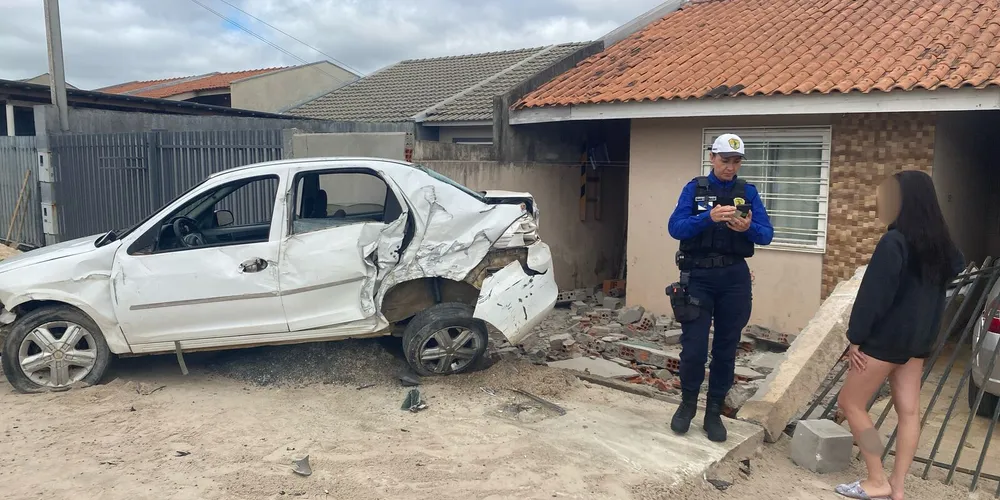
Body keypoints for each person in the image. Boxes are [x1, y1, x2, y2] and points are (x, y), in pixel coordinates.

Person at [834, 171, 964, 500]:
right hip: (919, 342)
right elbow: (957, 268)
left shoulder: (894, 242)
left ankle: (876, 478)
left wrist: (856, 337)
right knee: (908, 413)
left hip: (885, 342)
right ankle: (898, 486)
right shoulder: (940, 246)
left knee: (851, 403)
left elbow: (874, 296)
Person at [666, 133, 773, 442]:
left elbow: (766, 234)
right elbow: (675, 227)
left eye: (736, 161)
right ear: (712, 158)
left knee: (726, 349)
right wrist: (708, 218)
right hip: (699, 276)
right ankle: (687, 405)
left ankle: (713, 412)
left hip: (734, 279)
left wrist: (748, 228)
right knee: (694, 348)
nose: (730, 167)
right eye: (725, 160)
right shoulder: (695, 189)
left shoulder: (748, 192)